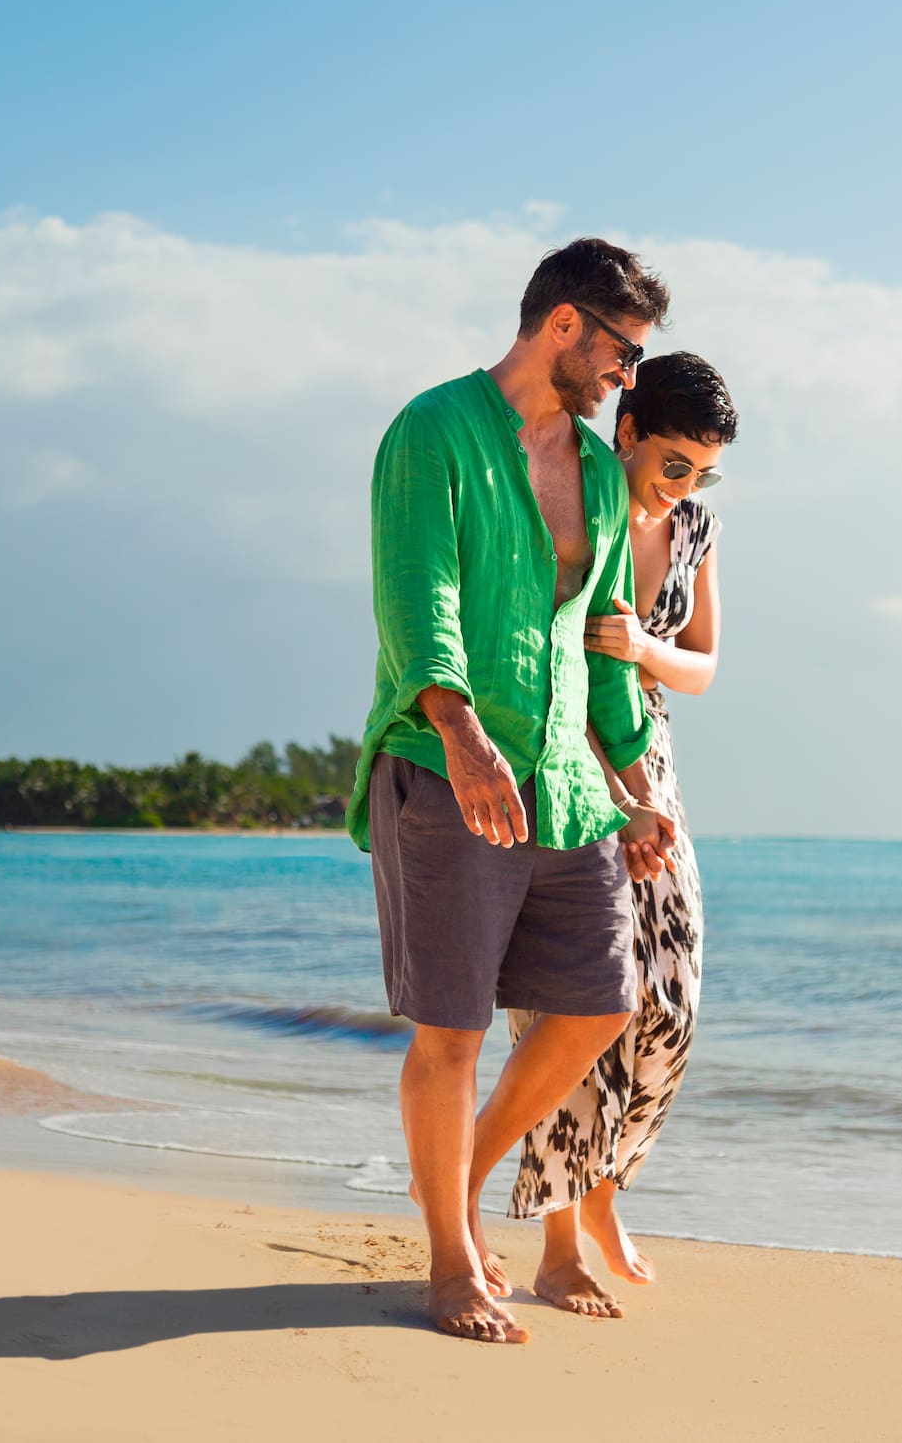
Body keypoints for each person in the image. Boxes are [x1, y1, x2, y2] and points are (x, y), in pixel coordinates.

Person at [346, 238, 679, 1345]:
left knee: (599, 1001)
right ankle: (450, 1260)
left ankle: (461, 1181)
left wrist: (633, 785)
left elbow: (598, 645)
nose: (626, 377)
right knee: (450, 1026)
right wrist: (460, 727)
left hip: (567, 781)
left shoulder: (590, 466)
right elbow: (418, 591)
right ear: (566, 326)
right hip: (449, 769)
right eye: (624, 353)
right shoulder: (432, 430)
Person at [505, 351, 735, 1318]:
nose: (684, 485)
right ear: (628, 428)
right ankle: (558, 1249)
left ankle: (602, 1193)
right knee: (571, 1006)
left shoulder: (691, 527)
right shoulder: (579, 493)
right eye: (674, 462)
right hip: (564, 754)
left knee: (670, 1008)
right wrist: (609, 789)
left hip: (656, 763)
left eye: (704, 471)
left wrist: (646, 647)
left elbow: (705, 666)